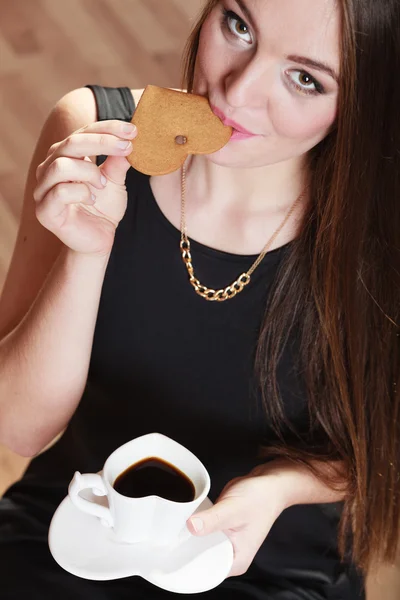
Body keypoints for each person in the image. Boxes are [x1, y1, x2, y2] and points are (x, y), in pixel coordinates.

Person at [0, 0, 398, 598]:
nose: (235, 95)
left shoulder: (383, 225)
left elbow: (384, 437)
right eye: (239, 26)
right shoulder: (94, 133)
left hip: (273, 563)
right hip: (81, 528)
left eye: (306, 79)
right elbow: (20, 430)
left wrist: (283, 486)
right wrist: (87, 252)